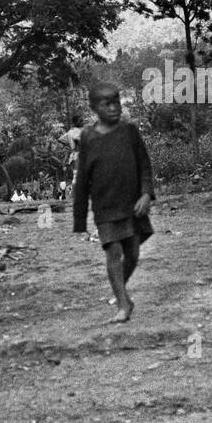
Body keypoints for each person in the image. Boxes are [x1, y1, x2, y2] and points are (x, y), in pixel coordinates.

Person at [72, 82, 155, 324]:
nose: (113, 108)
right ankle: (122, 303)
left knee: (133, 252)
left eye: (117, 102)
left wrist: (146, 195)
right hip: (105, 207)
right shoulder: (87, 137)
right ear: (94, 108)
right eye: (106, 104)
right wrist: (79, 219)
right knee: (114, 252)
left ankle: (122, 292)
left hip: (132, 203)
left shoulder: (130, 131)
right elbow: (82, 180)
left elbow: (144, 166)